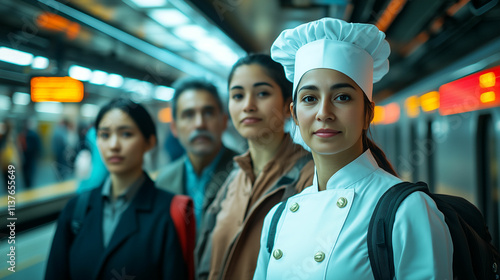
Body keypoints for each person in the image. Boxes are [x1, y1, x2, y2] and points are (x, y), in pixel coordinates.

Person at [253, 18, 453, 279]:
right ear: (294, 114)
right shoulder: (277, 220)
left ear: (368, 112)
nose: (324, 113)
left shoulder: (409, 210)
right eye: (310, 99)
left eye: (342, 97)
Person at [196, 54, 315, 280]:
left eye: (262, 93)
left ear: (286, 104)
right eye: (238, 95)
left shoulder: (311, 178)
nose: (248, 106)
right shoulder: (232, 179)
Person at [45, 98, 189, 280]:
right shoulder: (75, 210)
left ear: (150, 142)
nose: (113, 145)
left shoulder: (168, 212)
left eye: (126, 134)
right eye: (104, 135)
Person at [156, 78, 237, 230]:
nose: (199, 123)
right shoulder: (162, 182)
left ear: (224, 120)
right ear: (174, 127)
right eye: (188, 114)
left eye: (208, 113)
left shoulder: (245, 174)